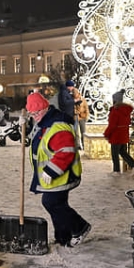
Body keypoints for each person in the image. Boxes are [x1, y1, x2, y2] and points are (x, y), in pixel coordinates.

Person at [25, 92, 91, 247]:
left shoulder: (57, 126)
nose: (34, 117)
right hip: (56, 176)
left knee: (52, 203)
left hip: (62, 175)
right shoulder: (45, 121)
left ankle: (80, 227)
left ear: (45, 109)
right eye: (31, 114)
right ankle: (63, 237)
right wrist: (24, 124)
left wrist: (51, 170)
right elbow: (36, 135)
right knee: (56, 204)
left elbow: (66, 151)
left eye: (36, 113)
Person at [103, 90, 134, 175]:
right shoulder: (126, 110)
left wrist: (106, 134)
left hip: (116, 135)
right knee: (123, 152)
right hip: (123, 134)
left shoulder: (115, 111)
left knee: (115, 154)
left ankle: (116, 170)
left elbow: (112, 125)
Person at [67, 82, 89, 150]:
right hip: (75, 117)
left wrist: (87, 116)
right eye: (74, 94)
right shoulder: (72, 100)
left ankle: (84, 145)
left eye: (76, 94)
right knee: (76, 132)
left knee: (83, 132)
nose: (75, 95)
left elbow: (86, 108)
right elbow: (70, 108)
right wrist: (75, 111)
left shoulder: (83, 99)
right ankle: (78, 145)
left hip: (82, 117)